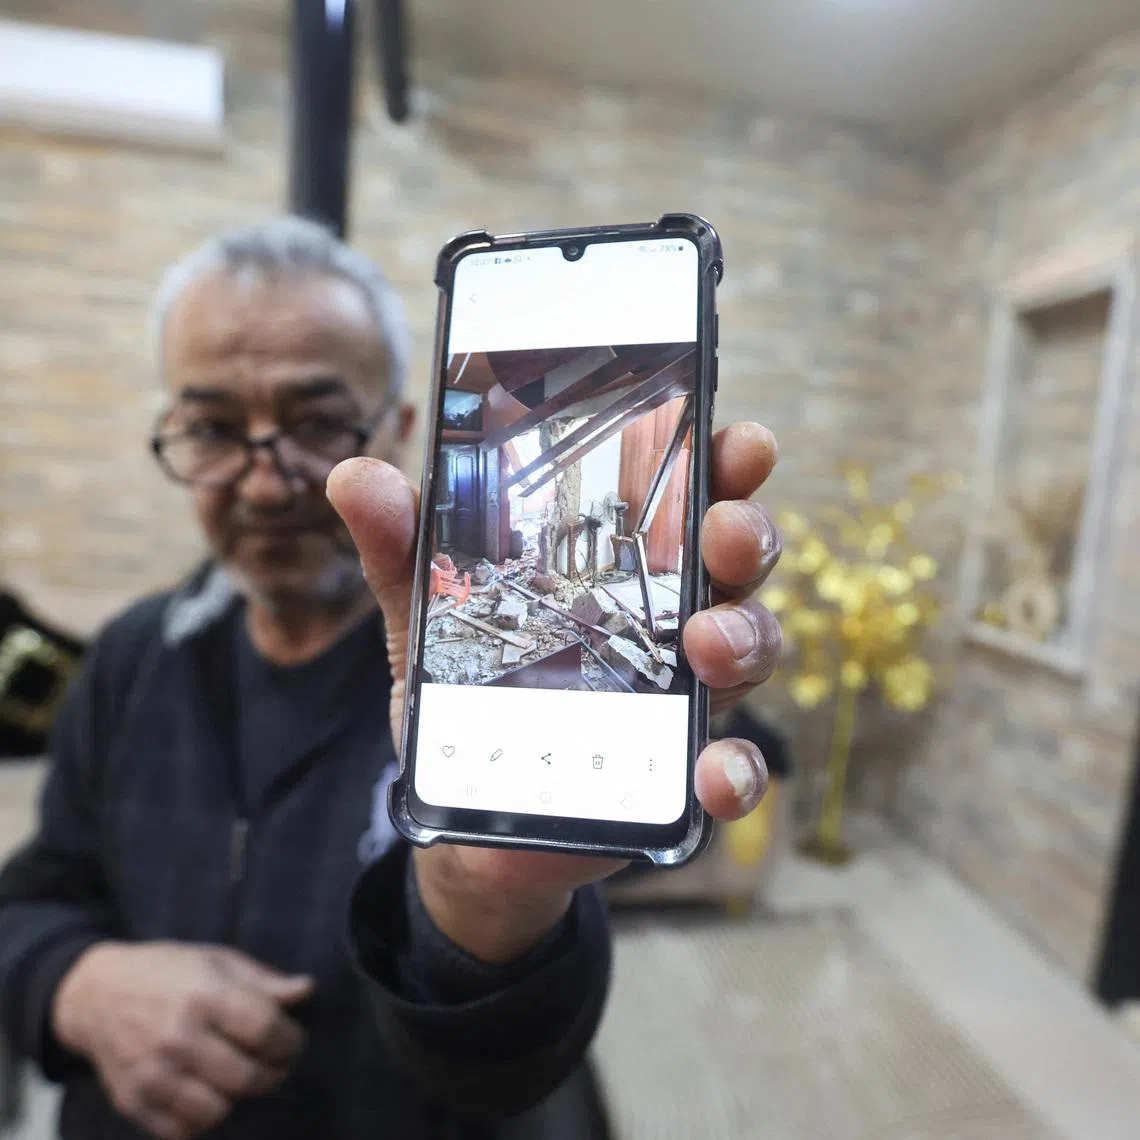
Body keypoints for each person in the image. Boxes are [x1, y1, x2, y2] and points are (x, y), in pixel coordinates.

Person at [0, 217, 784, 1140]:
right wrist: (75, 983)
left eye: (319, 422)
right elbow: (41, 889)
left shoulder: (481, 678)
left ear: (405, 428)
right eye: (213, 427)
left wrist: (492, 902)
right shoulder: (131, 657)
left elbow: (513, 1049)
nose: (263, 483)